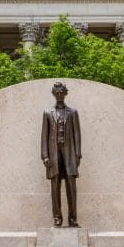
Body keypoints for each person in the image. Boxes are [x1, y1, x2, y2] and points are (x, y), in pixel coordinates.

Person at [40, 81, 81, 227]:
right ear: (53, 94)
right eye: (56, 93)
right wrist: (45, 155)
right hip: (53, 153)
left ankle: (73, 218)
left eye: (61, 93)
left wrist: (77, 155)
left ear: (65, 93)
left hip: (69, 153)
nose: (59, 95)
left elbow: (77, 134)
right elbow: (44, 135)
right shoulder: (47, 113)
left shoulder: (73, 112)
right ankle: (57, 218)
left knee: (71, 184)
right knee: (55, 185)